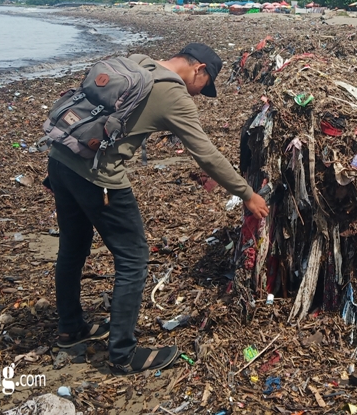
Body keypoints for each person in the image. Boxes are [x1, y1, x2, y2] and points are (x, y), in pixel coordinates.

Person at [45, 43, 269, 375]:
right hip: (98, 178)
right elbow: (205, 154)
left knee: (73, 247)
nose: (197, 95)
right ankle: (122, 353)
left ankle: (70, 328)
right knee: (133, 258)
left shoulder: (139, 62)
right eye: (202, 88)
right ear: (199, 70)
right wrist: (247, 194)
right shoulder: (173, 94)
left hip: (61, 160)